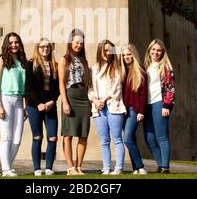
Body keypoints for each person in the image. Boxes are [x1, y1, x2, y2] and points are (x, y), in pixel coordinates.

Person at [89, 40, 126, 175]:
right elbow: (90, 88)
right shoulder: (93, 68)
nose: (108, 53)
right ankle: (106, 168)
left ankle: (119, 168)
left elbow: (116, 89)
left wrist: (103, 100)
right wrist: (95, 100)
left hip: (113, 106)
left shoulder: (117, 68)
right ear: (100, 51)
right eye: (105, 50)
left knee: (117, 139)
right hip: (98, 108)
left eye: (110, 50)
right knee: (104, 141)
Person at [58, 29, 92, 175]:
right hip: (70, 96)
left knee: (83, 134)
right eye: (76, 42)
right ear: (71, 42)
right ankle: (70, 168)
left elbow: (88, 83)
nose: (78, 45)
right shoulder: (64, 60)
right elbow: (61, 83)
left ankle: (78, 167)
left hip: (84, 98)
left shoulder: (85, 61)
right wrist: (65, 102)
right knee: (68, 134)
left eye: (81, 43)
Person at [0, 32, 27, 177]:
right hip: (4, 98)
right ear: (7, 44)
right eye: (11, 42)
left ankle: (7, 167)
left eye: (16, 42)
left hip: (19, 100)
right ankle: (6, 170)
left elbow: (25, 86)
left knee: (17, 139)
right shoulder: (1, 60)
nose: (14, 45)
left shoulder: (23, 61)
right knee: (6, 136)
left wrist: (25, 106)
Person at [25, 38, 60, 176]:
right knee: (37, 137)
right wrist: (38, 103)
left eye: (47, 46)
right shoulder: (30, 64)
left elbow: (57, 87)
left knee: (52, 137)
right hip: (35, 106)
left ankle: (49, 167)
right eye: (42, 46)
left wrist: (52, 101)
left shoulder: (55, 65)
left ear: (50, 48)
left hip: (50, 104)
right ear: (37, 48)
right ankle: (37, 168)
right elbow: (29, 87)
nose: (45, 48)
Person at [143, 39, 175, 174]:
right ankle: (161, 164)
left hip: (159, 103)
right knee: (149, 138)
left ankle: (165, 167)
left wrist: (166, 106)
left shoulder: (165, 67)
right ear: (149, 51)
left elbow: (170, 88)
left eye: (159, 50)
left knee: (161, 137)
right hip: (146, 105)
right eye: (153, 49)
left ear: (162, 52)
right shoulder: (144, 67)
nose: (155, 52)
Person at [120, 43, 148, 175]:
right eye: (124, 55)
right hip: (123, 110)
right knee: (131, 139)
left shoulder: (140, 70)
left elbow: (143, 93)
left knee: (127, 138)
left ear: (134, 55)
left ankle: (141, 166)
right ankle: (135, 168)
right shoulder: (122, 71)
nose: (126, 57)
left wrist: (141, 111)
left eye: (129, 54)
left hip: (134, 109)